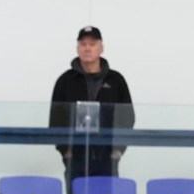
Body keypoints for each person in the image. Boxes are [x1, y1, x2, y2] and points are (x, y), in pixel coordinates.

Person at [49, 26, 134, 184]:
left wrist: (117, 150)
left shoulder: (116, 80)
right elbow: (56, 118)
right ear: (77, 48)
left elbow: (127, 116)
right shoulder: (65, 81)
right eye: (83, 44)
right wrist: (66, 150)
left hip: (106, 156)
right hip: (76, 156)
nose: (87, 48)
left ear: (101, 48)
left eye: (92, 44)